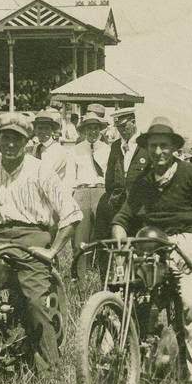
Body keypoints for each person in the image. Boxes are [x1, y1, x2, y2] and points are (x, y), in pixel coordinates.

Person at [110, 117, 192, 384]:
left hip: (184, 242)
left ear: (174, 148)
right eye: (153, 146)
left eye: (164, 146)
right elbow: (121, 219)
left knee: (191, 306)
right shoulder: (142, 183)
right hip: (148, 244)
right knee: (124, 298)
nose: (158, 153)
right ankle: (120, 365)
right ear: (147, 148)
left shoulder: (190, 173)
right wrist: (121, 243)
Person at [0, 113, 82, 374]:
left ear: (26, 141)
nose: (10, 144)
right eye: (5, 138)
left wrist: (52, 250)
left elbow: (72, 214)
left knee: (35, 302)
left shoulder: (41, 170)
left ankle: (49, 371)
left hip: (33, 238)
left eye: (16, 139)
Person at [70, 106, 110, 278]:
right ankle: (80, 275)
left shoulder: (108, 150)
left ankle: (102, 273)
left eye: (96, 128)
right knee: (81, 236)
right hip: (82, 191)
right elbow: (70, 177)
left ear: (100, 130)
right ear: (84, 130)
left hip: (101, 191)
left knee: (102, 234)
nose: (93, 131)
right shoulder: (75, 150)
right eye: (89, 128)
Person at [32, 108, 74, 190]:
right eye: (40, 128)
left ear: (52, 130)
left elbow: (46, 175)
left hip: (54, 193)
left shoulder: (59, 151)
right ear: (35, 130)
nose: (43, 132)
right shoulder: (36, 148)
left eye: (46, 128)